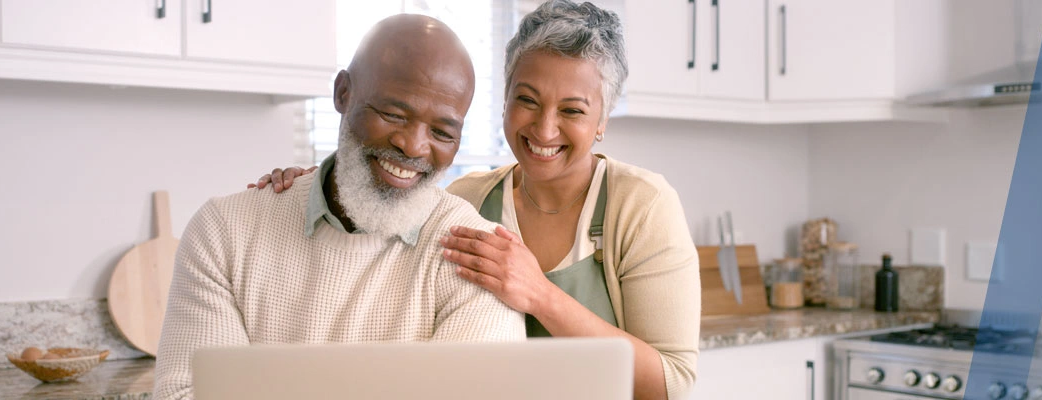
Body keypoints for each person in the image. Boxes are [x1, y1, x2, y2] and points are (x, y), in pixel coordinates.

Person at [251, 2, 701, 398]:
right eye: (527, 100)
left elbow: (671, 383)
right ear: (504, 100)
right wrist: (316, 182)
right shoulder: (468, 200)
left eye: (572, 110)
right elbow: (379, 207)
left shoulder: (641, 206)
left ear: (602, 119)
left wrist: (541, 295)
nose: (544, 129)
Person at [154, 15, 525, 400]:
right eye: (394, 114)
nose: (414, 147)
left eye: (442, 132)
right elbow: (187, 393)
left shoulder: (480, 258)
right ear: (343, 93)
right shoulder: (225, 231)